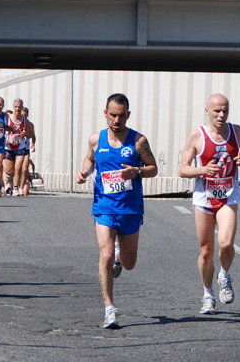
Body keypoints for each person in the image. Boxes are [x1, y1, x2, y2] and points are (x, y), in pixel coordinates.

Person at [75, 93, 157, 329]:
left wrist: (138, 172)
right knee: (105, 255)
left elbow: (153, 168)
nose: (117, 120)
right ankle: (109, 309)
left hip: (130, 208)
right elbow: (89, 160)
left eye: (121, 115)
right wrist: (84, 172)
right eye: (113, 115)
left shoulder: (139, 141)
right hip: (104, 206)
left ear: (127, 115)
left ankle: (122, 256)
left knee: (129, 263)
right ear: (105, 114)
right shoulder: (95, 139)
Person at [179, 93, 240, 315]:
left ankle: (224, 274)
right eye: (217, 111)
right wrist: (203, 170)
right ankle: (207, 294)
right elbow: (183, 169)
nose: (221, 115)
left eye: (225, 111)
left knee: (226, 242)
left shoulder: (236, 131)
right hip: (204, 197)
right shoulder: (197, 136)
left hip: (228, 195)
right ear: (207, 112)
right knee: (206, 252)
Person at [3, 99, 28, 196]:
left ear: (22, 107)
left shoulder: (24, 120)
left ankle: (16, 188)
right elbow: (2, 129)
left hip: (20, 146)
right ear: (13, 107)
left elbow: (30, 134)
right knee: (9, 171)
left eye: (19, 107)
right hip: (9, 146)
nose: (17, 109)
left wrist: (26, 134)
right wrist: (4, 140)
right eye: (16, 107)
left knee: (18, 167)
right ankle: (7, 182)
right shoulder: (8, 118)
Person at [18, 107, 36, 196]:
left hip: (25, 148)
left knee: (25, 169)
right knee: (15, 169)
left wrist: (33, 144)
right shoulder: (16, 122)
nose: (23, 117)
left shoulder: (30, 124)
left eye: (25, 115)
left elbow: (33, 135)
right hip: (15, 148)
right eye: (22, 115)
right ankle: (14, 186)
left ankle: (21, 188)